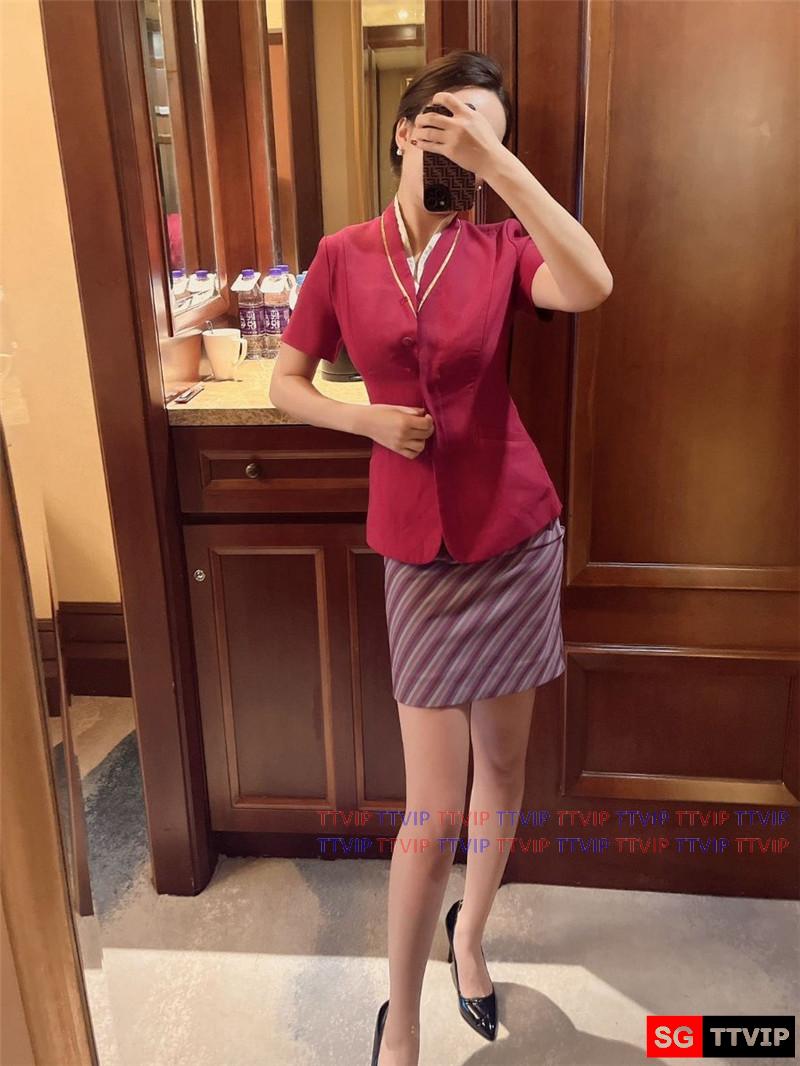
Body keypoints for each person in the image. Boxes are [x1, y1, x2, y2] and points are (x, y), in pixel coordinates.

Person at [270, 48, 612, 1066]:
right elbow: (287, 382)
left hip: (513, 538)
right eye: (450, 122)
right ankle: (405, 1023)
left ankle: (471, 939)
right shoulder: (342, 254)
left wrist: (499, 166)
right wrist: (367, 421)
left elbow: (591, 283)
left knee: (502, 764)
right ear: (403, 131)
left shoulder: (501, 245)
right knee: (430, 806)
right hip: (418, 556)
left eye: (484, 131)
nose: (463, 144)